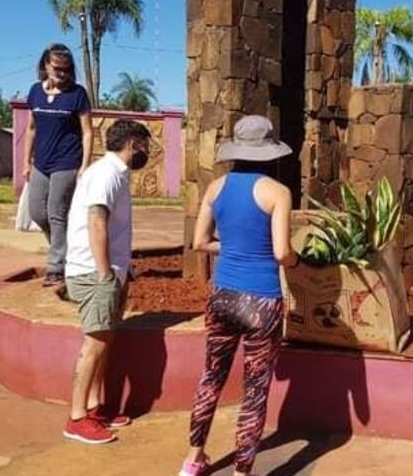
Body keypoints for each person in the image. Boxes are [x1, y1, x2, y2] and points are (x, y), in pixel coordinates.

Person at [180, 115, 297, 476]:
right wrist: (297, 258)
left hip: (222, 297)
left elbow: (200, 243)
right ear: (271, 152)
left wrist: (231, 248)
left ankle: (193, 458)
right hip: (261, 300)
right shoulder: (277, 192)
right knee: (255, 390)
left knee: (210, 377)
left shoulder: (215, 188)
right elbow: (281, 254)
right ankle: (242, 471)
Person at [62, 120, 151, 444]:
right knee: (94, 344)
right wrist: (104, 273)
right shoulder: (105, 174)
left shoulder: (115, 174)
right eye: (146, 145)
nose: (148, 152)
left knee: (104, 342)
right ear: (133, 143)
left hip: (108, 269)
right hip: (94, 272)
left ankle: (95, 407)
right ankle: (76, 418)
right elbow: (96, 221)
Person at [23, 43, 94, 286]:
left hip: (66, 161)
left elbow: (87, 131)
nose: (61, 73)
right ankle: (66, 249)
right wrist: (26, 162)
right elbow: (30, 129)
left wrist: (84, 164)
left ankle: (55, 269)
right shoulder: (34, 92)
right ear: (46, 65)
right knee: (37, 212)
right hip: (40, 163)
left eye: (66, 69)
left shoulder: (77, 94)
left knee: (57, 213)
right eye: (57, 68)